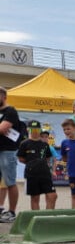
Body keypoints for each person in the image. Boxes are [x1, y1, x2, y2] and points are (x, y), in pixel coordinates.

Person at [17, 120, 57, 211]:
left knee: (52, 195)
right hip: (31, 174)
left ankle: (48, 218)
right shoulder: (24, 144)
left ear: (39, 130)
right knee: (35, 198)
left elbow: (47, 158)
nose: (35, 132)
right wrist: (32, 164)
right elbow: (20, 158)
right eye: (32, 130)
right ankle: (37, 220)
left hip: (45, 174)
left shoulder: (45, 144)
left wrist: (40, 164)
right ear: (28, 130)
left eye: (37, 130)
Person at [0, 86, 22, 222]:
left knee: (10, 182)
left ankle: (12, 212)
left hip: (8, 151)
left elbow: (2, 129)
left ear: (4, 96)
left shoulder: (11, 111)